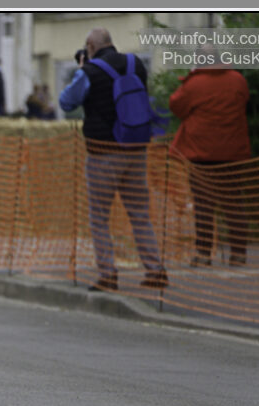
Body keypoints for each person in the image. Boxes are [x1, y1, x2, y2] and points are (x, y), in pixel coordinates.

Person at [59, 27, 167, 291]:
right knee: (140, 213)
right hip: (135, 148)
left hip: (103, 153)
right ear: (111, 43)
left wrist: (83, 68)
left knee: (99, 217)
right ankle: (155, 270)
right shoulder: (136, 64)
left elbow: (66, 102)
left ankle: (108, 274)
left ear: (91, 47)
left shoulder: (90, 71)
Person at [169, 47, 251, 267]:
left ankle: (204, 254)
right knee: (234, 204)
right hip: (233, 153)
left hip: (201, 153)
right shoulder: (238, 80)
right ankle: (238, 254)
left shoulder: (194, 85)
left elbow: (176, 105)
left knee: (204, 205)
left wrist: (191, 75)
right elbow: (245, 100)